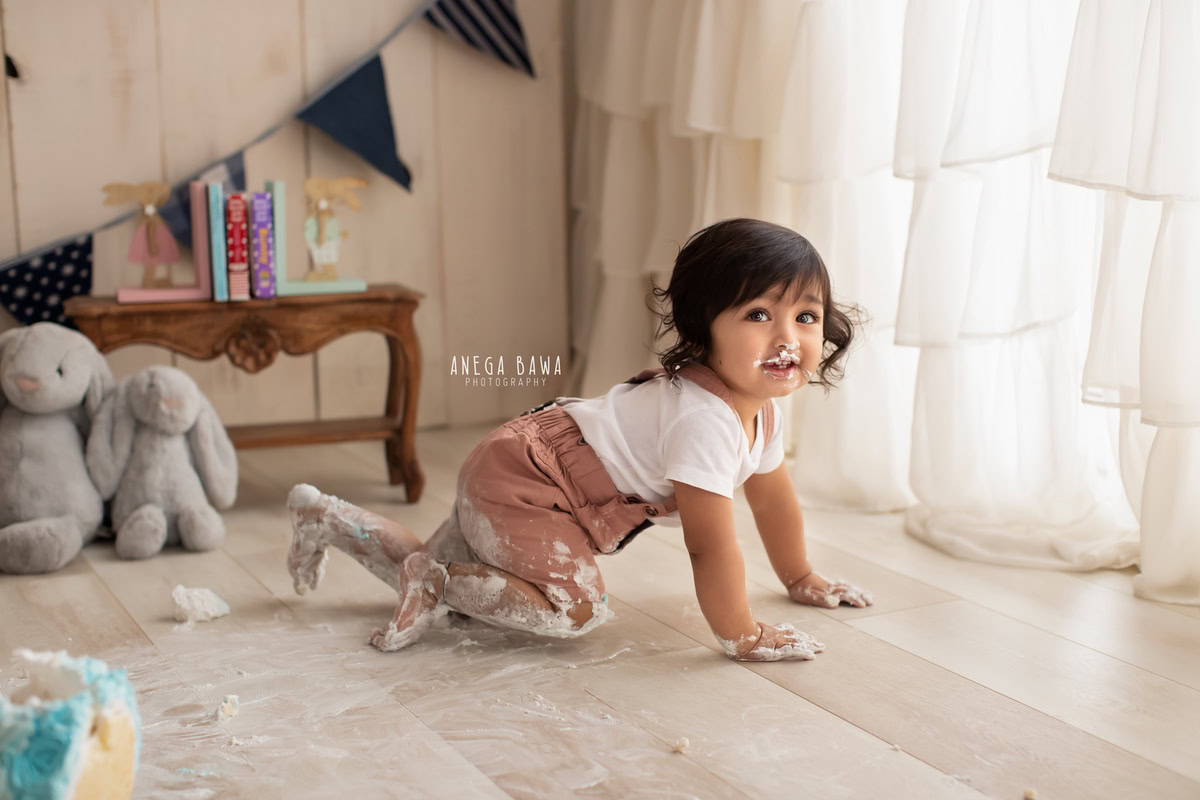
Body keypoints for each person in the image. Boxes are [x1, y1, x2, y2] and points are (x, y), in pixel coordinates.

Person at [286, 218, 874, 662]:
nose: (787, 337)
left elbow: (772, 502)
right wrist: (742, 633)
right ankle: (434, 581)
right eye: (758, 315)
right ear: (701, 327)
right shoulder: (704, 421)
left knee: (441, 565)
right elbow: (709, 547)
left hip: (517, 458)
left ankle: (328, 519)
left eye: (806, 317)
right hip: (530, 485)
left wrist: (799, 576)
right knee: (573, 610)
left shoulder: (761, 412)